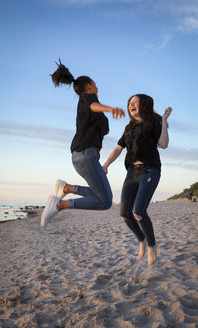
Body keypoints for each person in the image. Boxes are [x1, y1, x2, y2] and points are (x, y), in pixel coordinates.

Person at [41, 59, 125, 228]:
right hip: (87, 155)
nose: (96, 84)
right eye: (94, 83)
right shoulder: (87, 99)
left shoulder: (85, 106)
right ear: (89, 86)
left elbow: (94, 110)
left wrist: (105, 164)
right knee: (106, 202)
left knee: (98, 195)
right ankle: (59, 205)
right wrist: (110, 109)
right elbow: (93, 105)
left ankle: (67, 188)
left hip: (81, 156)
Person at [102, 94, 172, 266]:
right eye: (129, 103)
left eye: (135, 102)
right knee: (124, 214)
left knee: (138, 212)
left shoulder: (153, 122)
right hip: (132, 172)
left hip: (150, 170)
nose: (131, 105)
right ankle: (141, 239)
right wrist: (105, 165)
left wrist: (163, 120)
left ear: (144, 105)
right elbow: (118, 149)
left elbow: (163, 144)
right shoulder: (128, 128)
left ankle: (152, 245)